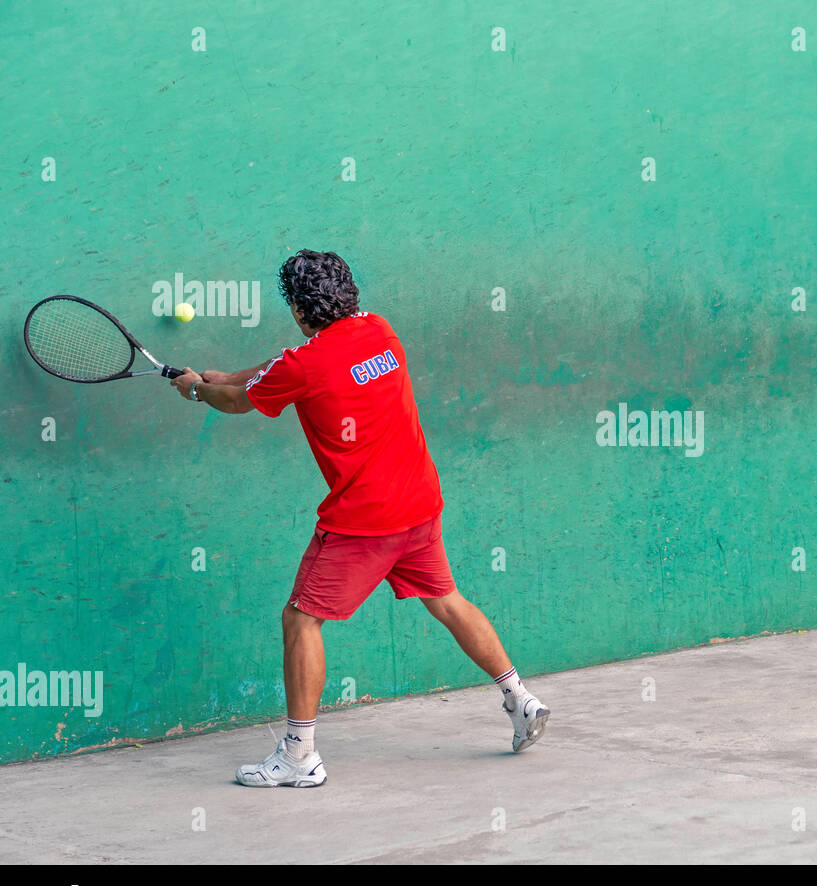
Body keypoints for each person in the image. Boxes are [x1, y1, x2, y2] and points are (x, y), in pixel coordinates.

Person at [170, 249, 549, 787]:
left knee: (301, 619)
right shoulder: (379, 330)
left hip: (364, 522)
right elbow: (276, 369)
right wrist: (224, 375)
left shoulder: (304, 366)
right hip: (418, 503)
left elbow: (238, 403)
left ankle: (299, 755)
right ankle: (521, 700)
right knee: (446, 600)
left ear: (300, 312)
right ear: (348, 295)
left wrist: (196, 390)